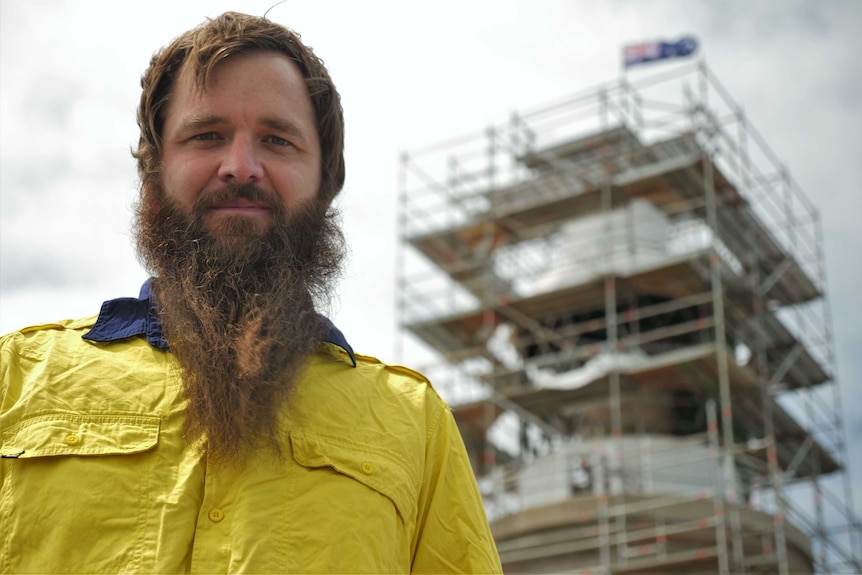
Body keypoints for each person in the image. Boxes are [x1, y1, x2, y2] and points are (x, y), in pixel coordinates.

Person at [0, 12, 502, 574]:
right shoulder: (12, 376)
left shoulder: (416, 426)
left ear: (326, 180)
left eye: (277, 140)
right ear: (155, 171)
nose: (241, 168)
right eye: (207, 135)